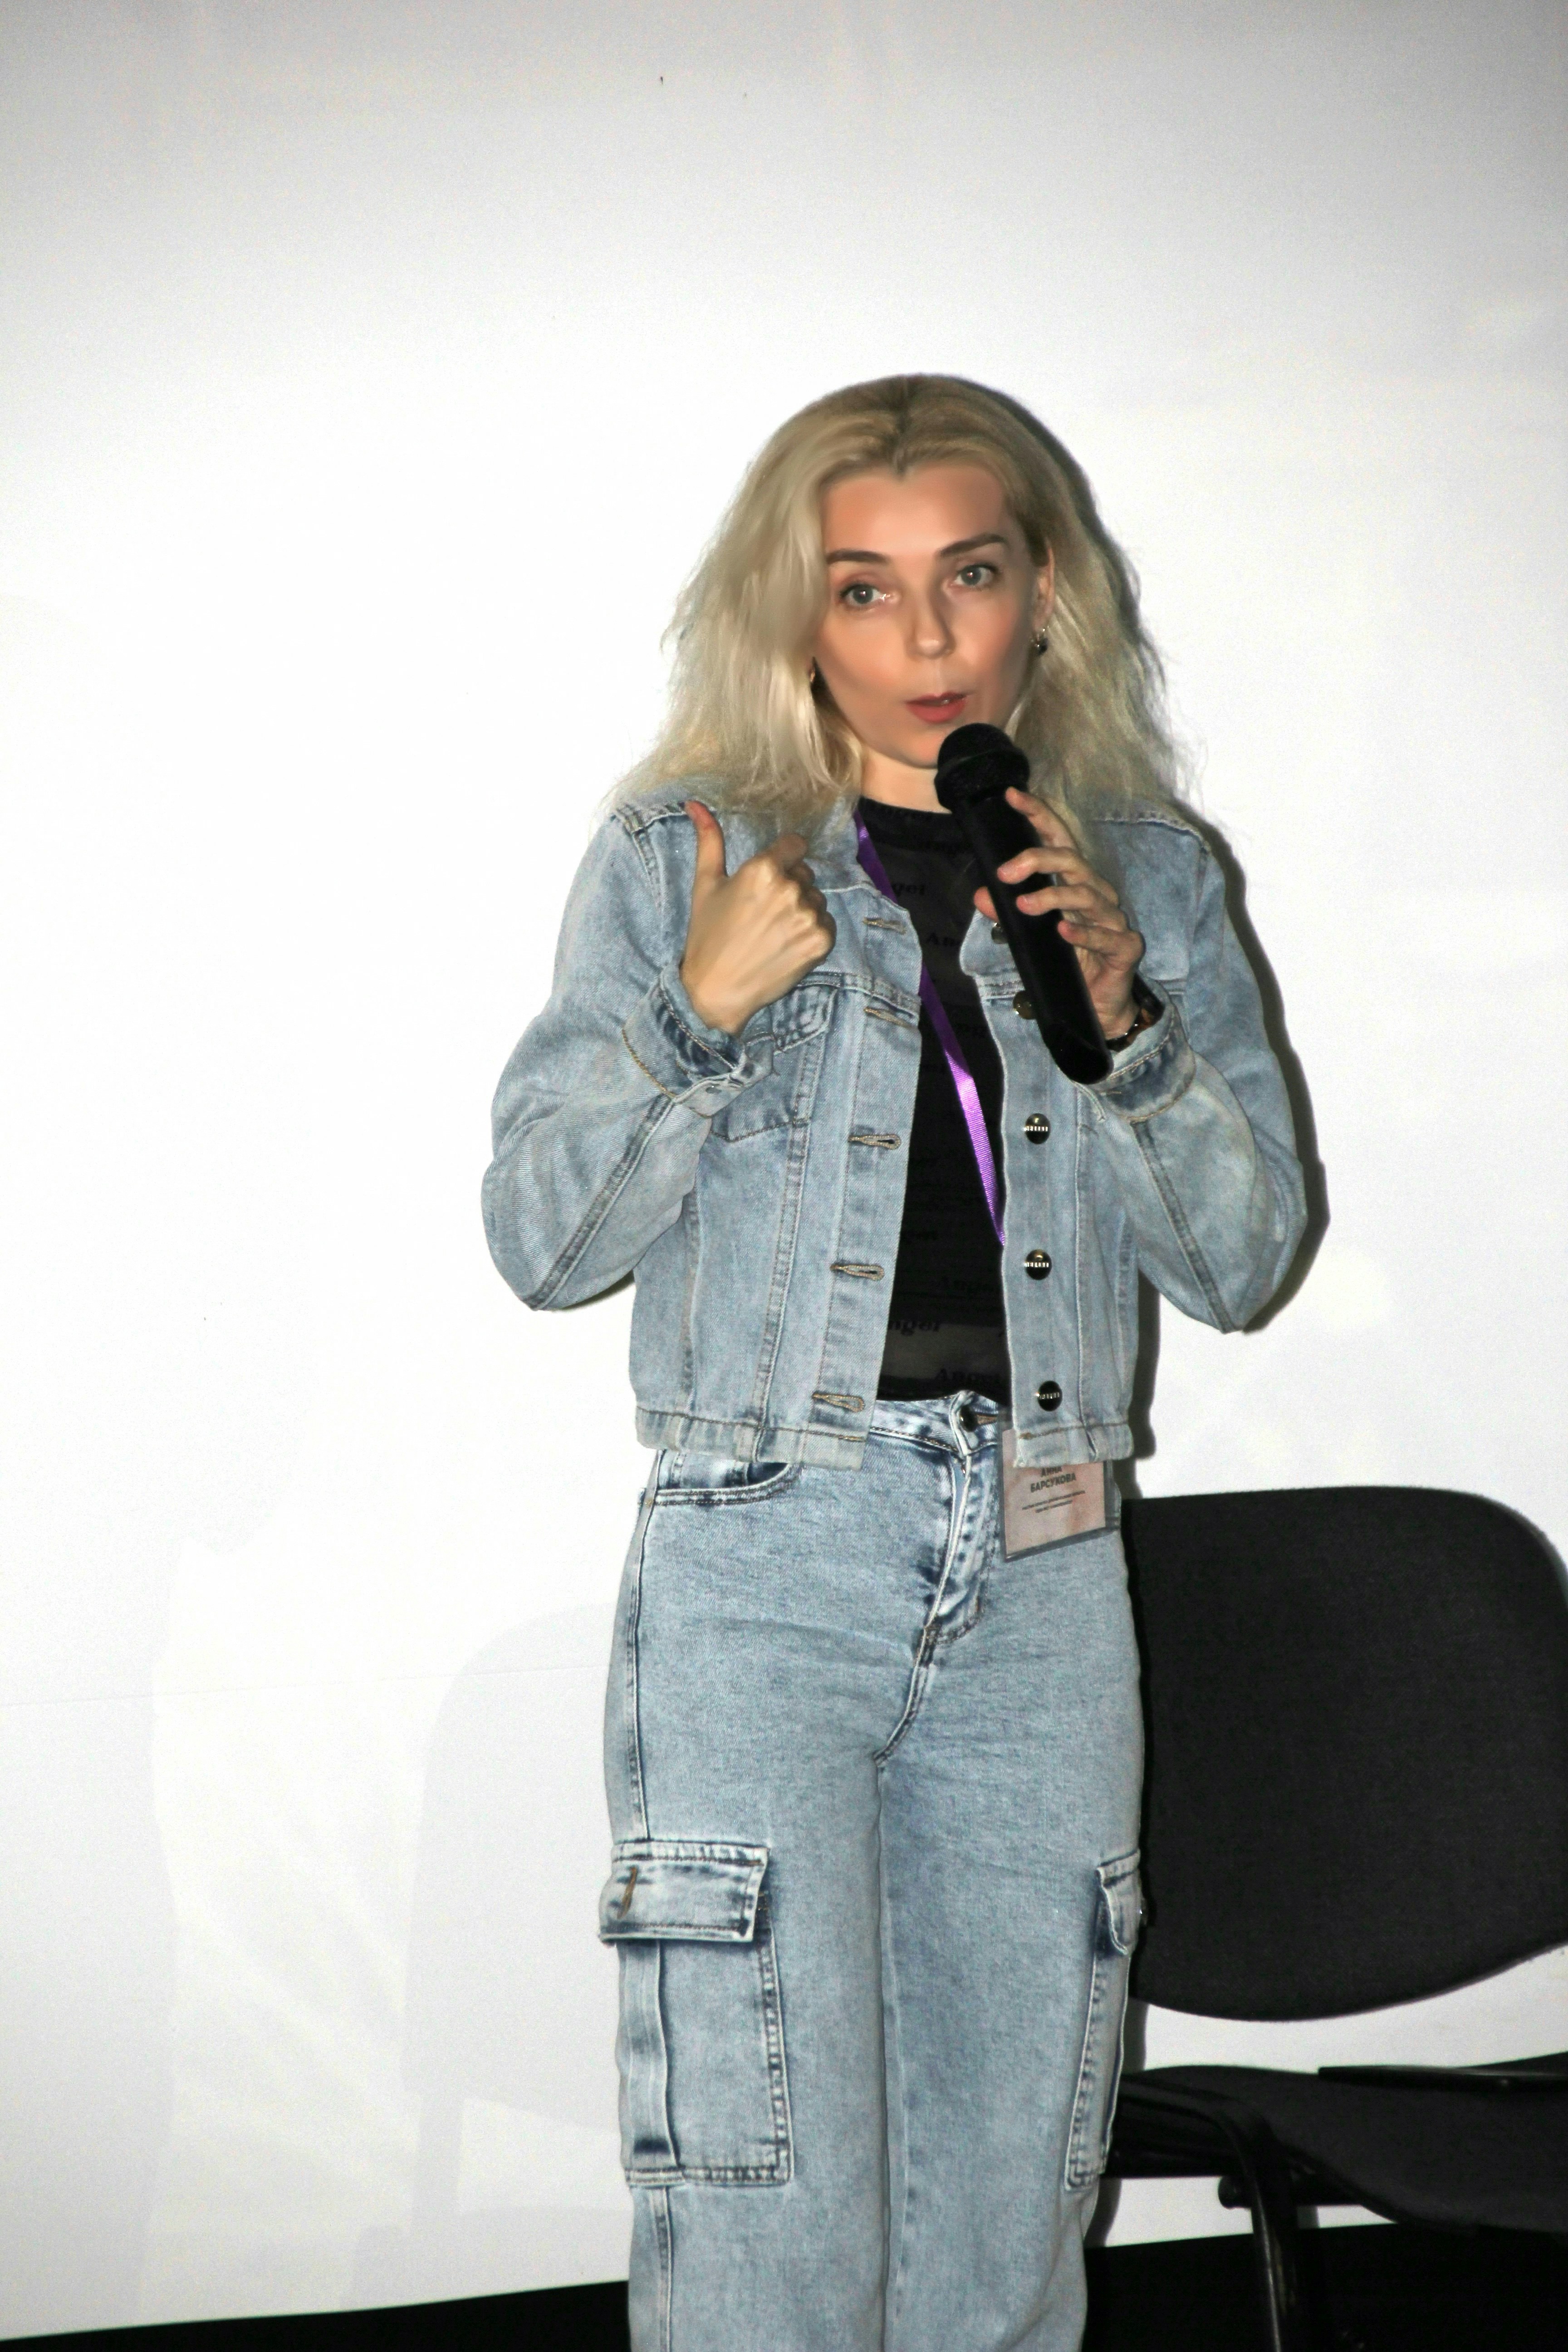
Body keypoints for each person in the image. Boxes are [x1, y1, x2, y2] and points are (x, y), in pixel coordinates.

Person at [482, 375, 1306, 2352]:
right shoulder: (689, 857)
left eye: (971, 579)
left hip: (1045, 1564)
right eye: (865, 589)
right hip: (773, 1550)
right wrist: (690, 1012)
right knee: (768, 2185)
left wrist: (1130, 1032)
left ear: (1046, 602)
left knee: (1013, 2191)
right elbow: (544, 1241)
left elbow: (1248, 1259)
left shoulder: (1148, 874)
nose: (926, 641)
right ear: (795, 615)